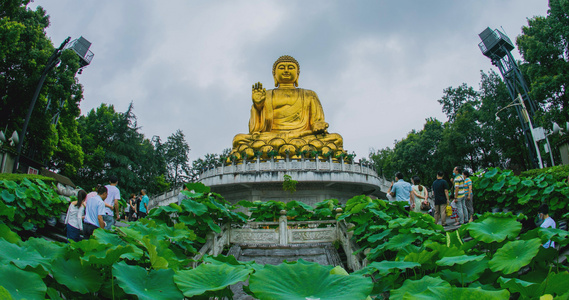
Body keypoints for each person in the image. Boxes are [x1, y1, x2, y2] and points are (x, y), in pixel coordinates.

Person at [231, 55, 344, 159]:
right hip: (272, 137)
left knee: (337, 138)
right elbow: (256, 130)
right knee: (238, 139)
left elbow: (317, 121)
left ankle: (278, 149)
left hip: (302, 136)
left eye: (290, 68)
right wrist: (258, 105)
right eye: (281, 68)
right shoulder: (267, 95)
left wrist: (318, 125)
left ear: (297, 74)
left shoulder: (309, 94)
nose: (286, 70)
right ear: (274, 74)